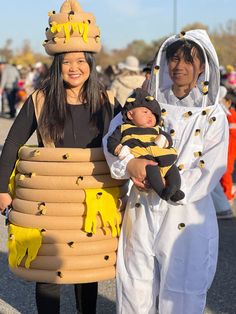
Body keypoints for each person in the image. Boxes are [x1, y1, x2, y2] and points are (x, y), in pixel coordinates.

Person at [0, 0, 121, 313]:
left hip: (93, 199)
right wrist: (1, 189)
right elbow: (12, 142)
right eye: (67, 61)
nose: (74, 67)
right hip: (51, 202)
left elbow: (126, 143)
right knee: (48, 272)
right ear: (57, 64)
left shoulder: (107, 101)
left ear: (91, 64)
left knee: (88, 269)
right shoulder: (40, 99)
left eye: (81, 60)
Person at [103, 29, 229, 313]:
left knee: (182, 290)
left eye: (188, 60)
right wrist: (131, 167)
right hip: (141, 207)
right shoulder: (146, 103)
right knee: (136, 284)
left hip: (184, 210)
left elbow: (208, 167)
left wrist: (171, 189)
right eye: (174, 59)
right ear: (164, 62)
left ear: (202, 67)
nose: (179, 66)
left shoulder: (213, 114)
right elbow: (113, 138)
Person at [107, 87, 185, 202]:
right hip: (147, 160)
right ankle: (162, 192)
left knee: (172, 169)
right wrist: (119, 150)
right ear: (130, 114)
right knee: (152, 170)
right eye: (145, 112)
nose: (150, 116)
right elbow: (111, 141)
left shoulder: (157, 129)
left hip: (164, 158)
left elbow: (168, 139)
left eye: (154, 114)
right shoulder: (123, 128)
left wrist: (164, 140)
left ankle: (175, 189)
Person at [220, 88, 236, 207]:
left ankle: (228, 197)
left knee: (226, 172)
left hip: (230, 149)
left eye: (222, 101)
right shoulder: (226, 115)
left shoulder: (232, 117)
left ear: (228, 102)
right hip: (225, 148)